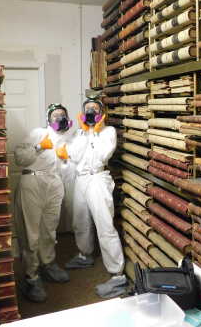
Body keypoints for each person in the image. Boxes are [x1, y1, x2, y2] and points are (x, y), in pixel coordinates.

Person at [57, 97, 127, 298]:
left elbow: (102, 156)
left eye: (94, 109)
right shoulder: (79, 133)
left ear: (101, 113)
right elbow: (75, 155)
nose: (90, 112)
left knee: (105, 225)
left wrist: (95, 132)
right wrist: (85, 133)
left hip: (98, 178)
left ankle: (117, 275)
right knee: (80, 221)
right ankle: (84, 255)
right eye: (87, 109)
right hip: (81, 179)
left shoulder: (108, 132)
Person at [14, 104, 73, 302]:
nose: (59, 118)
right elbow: (19, 158)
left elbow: (68, 172)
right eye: (55, 115)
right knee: (31, 233)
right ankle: (31, 277)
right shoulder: (37, 133)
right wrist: (39, 146)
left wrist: (66, 160)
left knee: (49, 229)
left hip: (54, 184)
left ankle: (48, 264)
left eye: (63, 115)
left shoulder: (67, 140)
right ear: (48, 119)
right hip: (32, 181)